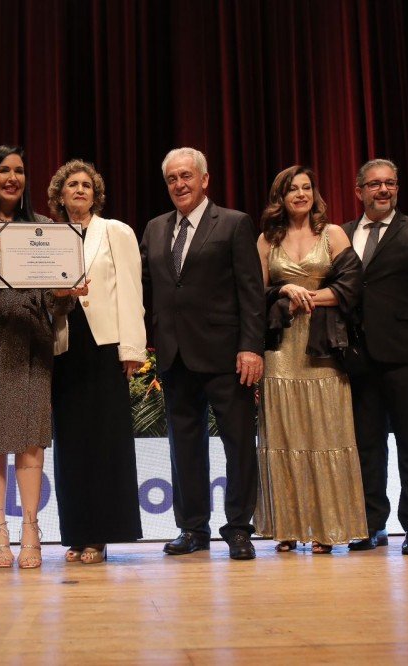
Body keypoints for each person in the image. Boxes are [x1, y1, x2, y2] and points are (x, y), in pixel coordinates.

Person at [0, 145, 83, 569]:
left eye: (20, 171)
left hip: (31, 339)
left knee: (30, 439)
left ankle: (31, 528)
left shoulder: (45, 226)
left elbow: (55, 299)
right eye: (4, 170)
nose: (13, 178)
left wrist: (65, 292)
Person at [139, 147, 264, 561]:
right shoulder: (155, 229)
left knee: (239, 445)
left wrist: (250, 346)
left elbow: (251, 292)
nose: (180, 184)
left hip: (228, 357)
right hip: (175, 357)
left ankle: (239, 529)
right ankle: (192, 528)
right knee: (184, 447)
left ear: (205, 179)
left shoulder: (233, 223)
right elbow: (146, 287)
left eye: (187, 176)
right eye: (172, 178)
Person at [256, 165, 368, 554]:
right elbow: (257, 293)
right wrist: (284, 287)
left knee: (327, 434)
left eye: (306, 188)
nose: (300, 194)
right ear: (280, 197)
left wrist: (308, 297)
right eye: (292, 189)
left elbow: (352, 287)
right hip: (281, 350)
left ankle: (327, 529)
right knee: (285, 435)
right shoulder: (266, 240)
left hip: (324, 349)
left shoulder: (333, 234)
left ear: (314, 193)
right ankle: (286, 527)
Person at [341, 159, 408, 555]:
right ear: (359, 191)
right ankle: (372, 524)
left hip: (406, 356)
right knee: (367, 446)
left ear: (397, 188)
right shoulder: (343, 234)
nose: (382, 190)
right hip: (358, 359)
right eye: (373, 185)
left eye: (389, 184)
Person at [47, 159, 145, 564]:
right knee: (71, 443)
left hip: (106, 344)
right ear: (60, 194)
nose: (80, 190)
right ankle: (77, 532)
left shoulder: (116, 231)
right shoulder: (47, 236)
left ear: (95, 193)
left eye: (87, 184)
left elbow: (131, 290)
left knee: (106, 442)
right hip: (65, 345)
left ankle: (101, 535)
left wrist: (133, 350)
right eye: (72, 184)